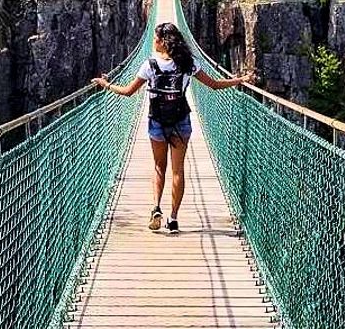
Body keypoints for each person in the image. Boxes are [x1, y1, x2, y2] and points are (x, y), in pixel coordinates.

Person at [93, 22, 248, 233]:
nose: (153, 41)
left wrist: (106, 85)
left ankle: (156, 207)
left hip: (157, 121)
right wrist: (240, 80)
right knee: (178, 170)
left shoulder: (149, 65)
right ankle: (173, 219)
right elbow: (213, 85)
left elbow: (129, 92)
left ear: (163, 41)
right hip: (180, 121)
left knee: (159, 167)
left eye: (156, 38)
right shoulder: (188, 63)